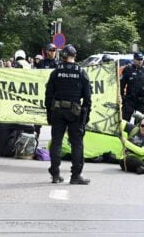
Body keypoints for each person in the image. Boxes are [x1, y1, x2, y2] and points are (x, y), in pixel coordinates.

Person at [45, 44, 91, 185]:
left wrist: (49, 113)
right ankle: (76, 176)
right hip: (75, 112)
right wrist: (85, 115)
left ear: (63, 56)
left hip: (57, 111)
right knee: (77, 144)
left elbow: (48, 95)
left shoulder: (56, 72)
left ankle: (55, 174)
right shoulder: (81, 72)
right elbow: (88, 98)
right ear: (75, 56)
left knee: (56, 142)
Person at [120, 53, 144, 121]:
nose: (140, 61)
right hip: (130, 99)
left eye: (141, 59)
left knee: (141, 121)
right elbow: (122, 84)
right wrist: (122, 96)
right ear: (134, 59)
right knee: (125, 119)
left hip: (141, 101)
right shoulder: (128, 69)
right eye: (138, 59)